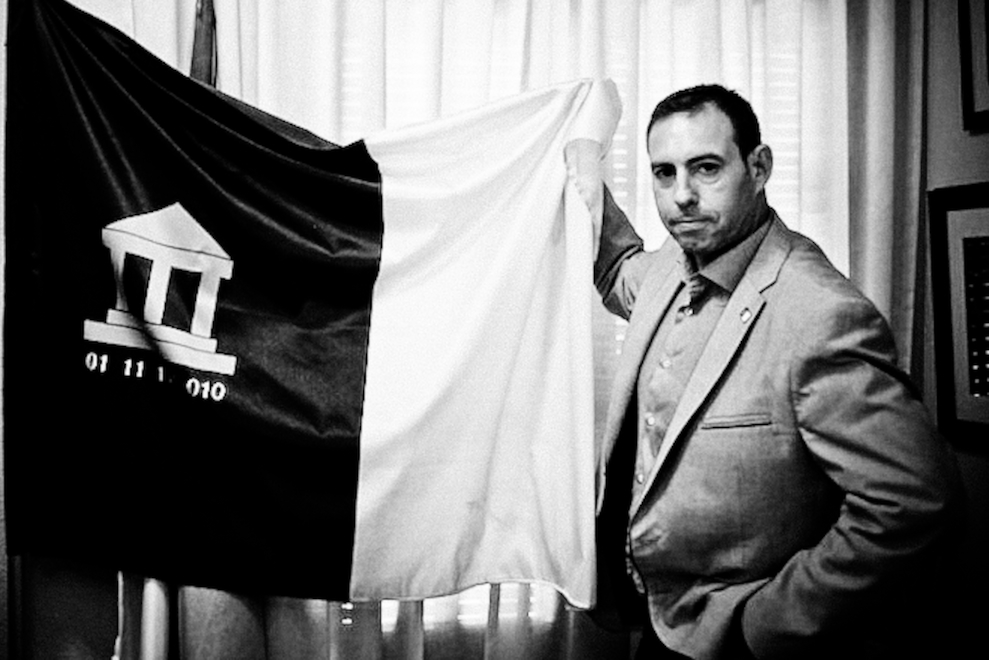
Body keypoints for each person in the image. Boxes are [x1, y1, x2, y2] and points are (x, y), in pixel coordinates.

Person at [579, 84, 962, 659]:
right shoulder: (668, 269)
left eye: (706, 168)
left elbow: (913, 502)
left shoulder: (818, 312)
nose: (682, 196)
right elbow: (618, 267)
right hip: (659, 628)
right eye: (664, 173)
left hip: (745, 642)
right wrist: (569, 168)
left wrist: (764, 624)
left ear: (758, 168)